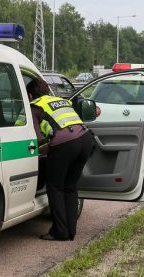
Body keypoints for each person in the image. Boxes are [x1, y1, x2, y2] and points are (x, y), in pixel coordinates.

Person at [26, 76, 94, 241]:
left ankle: (59, 231)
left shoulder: (35, 107)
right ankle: (71, 231)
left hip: (66, 144)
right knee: (70, 187)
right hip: (86, 139)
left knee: (55, 186)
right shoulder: (60, 101)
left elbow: (36, 137)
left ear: (29, 95)